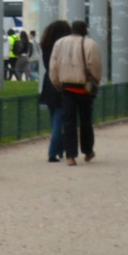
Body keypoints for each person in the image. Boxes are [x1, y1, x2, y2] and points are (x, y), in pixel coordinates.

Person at [49, 19, 104, 165]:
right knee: (86, 121)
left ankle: (70, 156)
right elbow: (96, 67)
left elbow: (53, 67)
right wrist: (94, 82)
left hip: (66, 87)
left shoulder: (59, 43)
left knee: (69, 122)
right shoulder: (91, 44)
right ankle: (87, 151)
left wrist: (58, 84)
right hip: (84, 88)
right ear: (84, 30)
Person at [36, 20, 71, 162]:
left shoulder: (46, 46)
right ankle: (53, 151)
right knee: (60, 119)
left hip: (48, 82)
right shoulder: (64, 47)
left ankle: (59, 147)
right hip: (61, 82)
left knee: (55, 118)